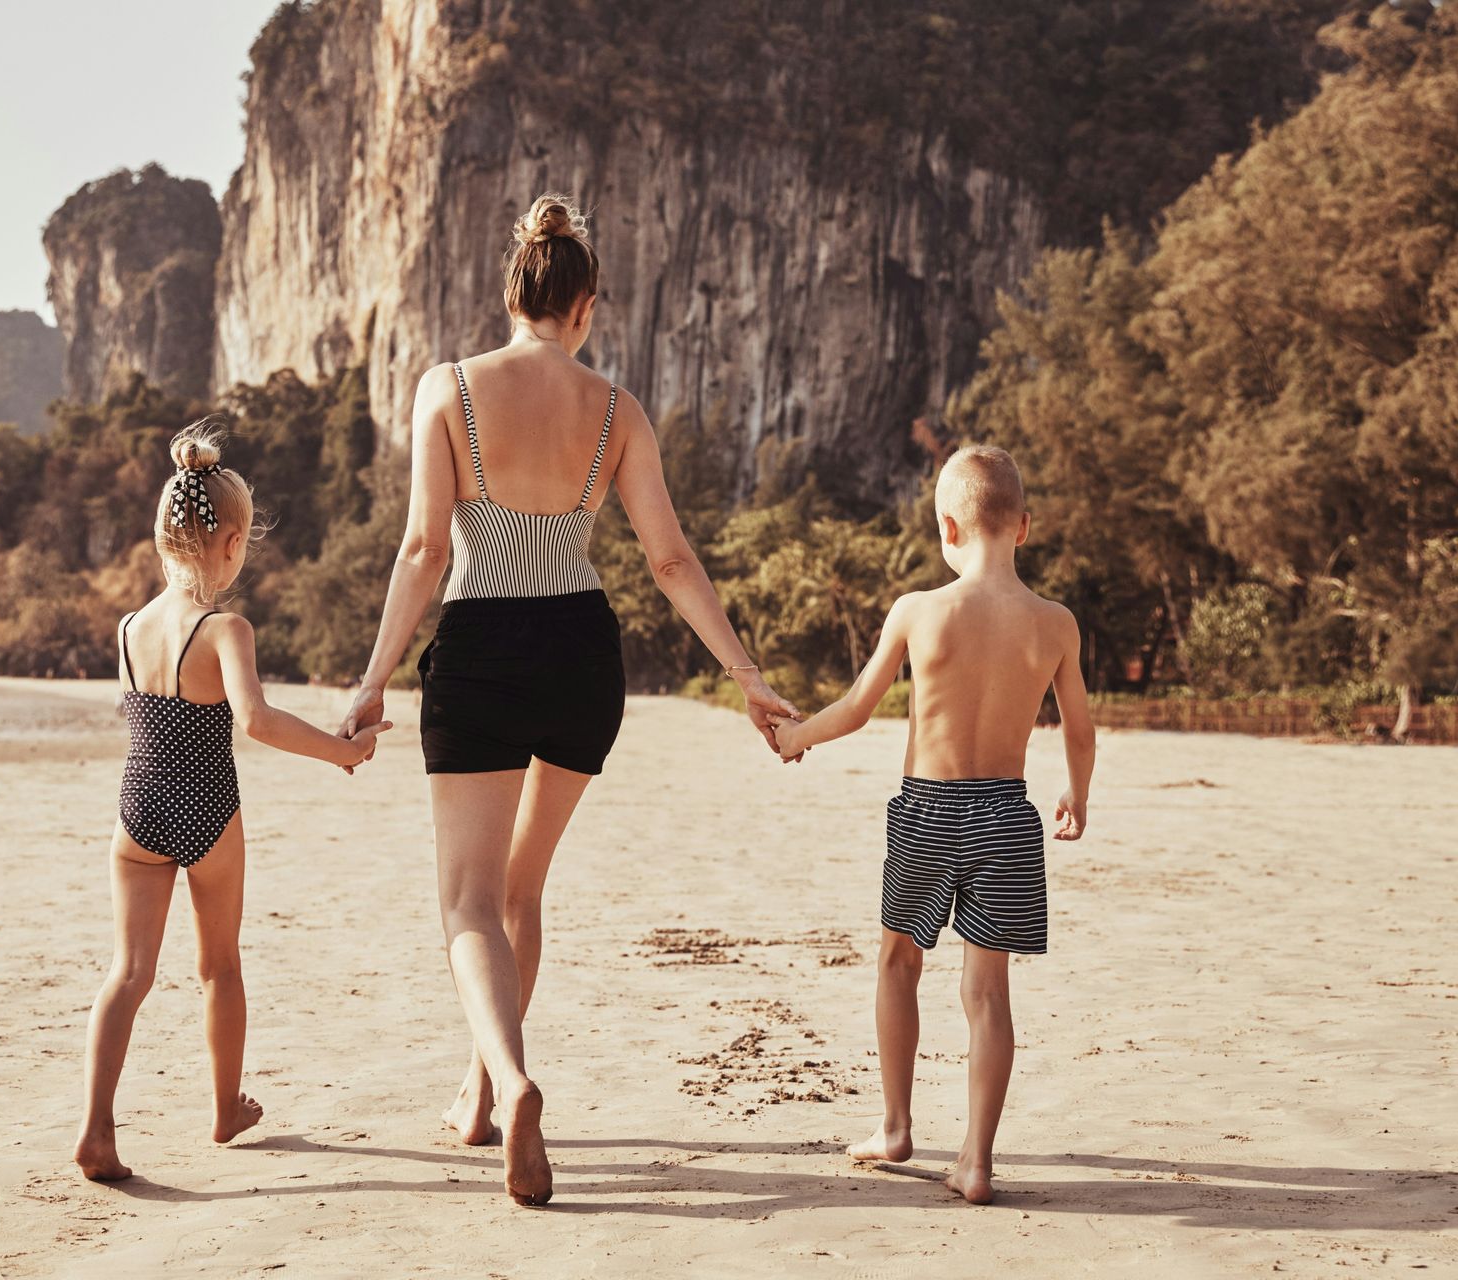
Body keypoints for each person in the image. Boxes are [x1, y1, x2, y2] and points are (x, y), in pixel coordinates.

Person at [337, 194, 799, 1205]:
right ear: (585, 306)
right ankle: (477, 1095)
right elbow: (670, 558)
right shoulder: (617, 409)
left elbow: (423, 549)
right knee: (521, 888)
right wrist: (748, 676)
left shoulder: (446, 389)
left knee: (466, 899)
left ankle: (505, 1079)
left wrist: (372, 681)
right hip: (584, 656)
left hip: (481, 647)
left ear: (514, 293)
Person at [773, 444, 1096, 1205]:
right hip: (1007, 815)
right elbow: (1080, 729)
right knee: (988, 994)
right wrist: (1077, 794)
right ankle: (976, 1162)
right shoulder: (1055, 624)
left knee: (898, 964)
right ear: (1024, 527)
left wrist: (795, 737)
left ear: (947, 527)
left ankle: (894, 1126)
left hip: (927, 810)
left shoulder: (918, 611)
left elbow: (856, 708)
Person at [74, 419, 391, 1182]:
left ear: (160, 538)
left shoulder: (128, 627)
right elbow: (254, 721)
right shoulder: (226, 628)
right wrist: (343, 752)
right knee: (219, 967)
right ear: (233, 541)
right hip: (208, 810)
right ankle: (224, 1108)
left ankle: (95, 1128)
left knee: (128, 972)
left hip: (136, 810)